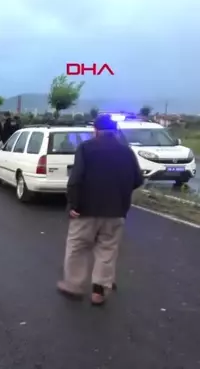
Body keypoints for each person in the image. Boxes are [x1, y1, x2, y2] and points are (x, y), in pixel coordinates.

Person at [57, 114, 143, 306]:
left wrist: (73, 204)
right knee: (107, 250)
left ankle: (74, 285)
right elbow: (138, 180)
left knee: (77, 248)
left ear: (95, 130)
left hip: (85, 211)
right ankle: (99, 291)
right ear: (115, 132)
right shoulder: (126, 152)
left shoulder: (86, 149)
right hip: (115, 212)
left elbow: (76, 179)